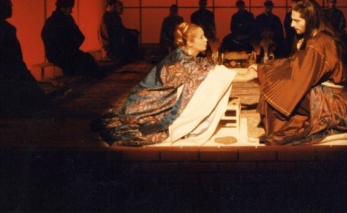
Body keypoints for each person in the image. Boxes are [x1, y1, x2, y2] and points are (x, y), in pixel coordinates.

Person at [95, 22, 258, 146]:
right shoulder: (181, 61)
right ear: (190, 43)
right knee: (209, 81)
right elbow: (211, 75)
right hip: (147, 105)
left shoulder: (187, 55)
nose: (206, 39)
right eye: (201, 37)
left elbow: (210, 68)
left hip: (152, 100)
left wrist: (245, 70)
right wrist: (246, 77)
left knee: (210, 77)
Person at [252, 0, 347, 146]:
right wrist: (266, 68)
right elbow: (294, 63)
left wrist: (267, 71)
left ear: (310, 19)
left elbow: (299, 74)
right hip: (320, 93)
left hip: (327, 103)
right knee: (274, 84)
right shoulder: (315, 37)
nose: (292, 24)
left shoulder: (317, 43)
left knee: (274, 90)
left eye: (297, 20)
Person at [0, 0, 48, 113]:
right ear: (4, 8)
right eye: (10, 7)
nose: (12, 9)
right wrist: (32, 81)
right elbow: (16, 62)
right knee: (38, 98)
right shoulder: (7, 31)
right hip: (4, 86)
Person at [41, 0, 100, 76]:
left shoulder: (68, 19)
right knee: (82, 63)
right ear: (63, 9)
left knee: (88, 59)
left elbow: (78, 35)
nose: (71, 11)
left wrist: (72, 46)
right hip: (58, 55)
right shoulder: (52, 22)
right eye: (70, 9)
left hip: (70, 51)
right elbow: (53, 41)